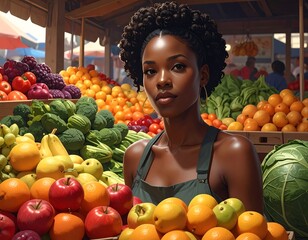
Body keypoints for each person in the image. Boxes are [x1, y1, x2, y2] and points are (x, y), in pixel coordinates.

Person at [119, 1, 263, 213]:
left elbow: (253, 232)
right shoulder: (135, 157)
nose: (162, 80)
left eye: (178, 66)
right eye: (150, 71)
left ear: (203, 75)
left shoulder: (234, 153)